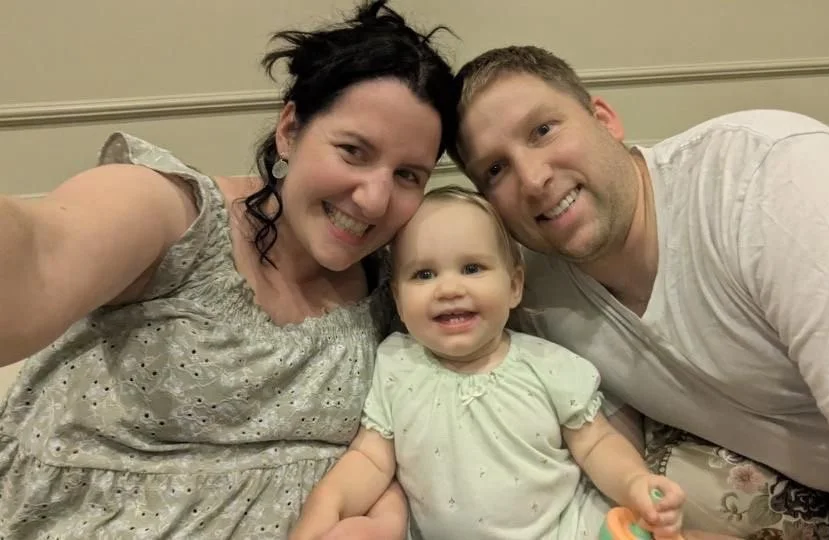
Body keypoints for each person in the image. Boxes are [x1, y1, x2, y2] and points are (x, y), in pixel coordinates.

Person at [0, 1, 459, 537]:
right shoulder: (172, 214)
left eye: (408, 174)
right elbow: (39, 259)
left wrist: (387, 517)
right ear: (289, 130)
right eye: (353, 151)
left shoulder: (399, 289)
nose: (375, 200)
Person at [448, 45, 829, 538]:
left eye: (543, 130)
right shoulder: (531, 294)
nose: (534, 179)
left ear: (604, 119)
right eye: (495, 170)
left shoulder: (766, 180)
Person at [290, 186, 693, 540]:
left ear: (514, 285)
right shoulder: (396, 364)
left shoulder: (547, 365)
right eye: (424, 274)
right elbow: (371, 458)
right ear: (397, 298)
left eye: (472, 268)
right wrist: (329, 503)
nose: (449, 288)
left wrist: (635, 482)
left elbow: (597, 445)